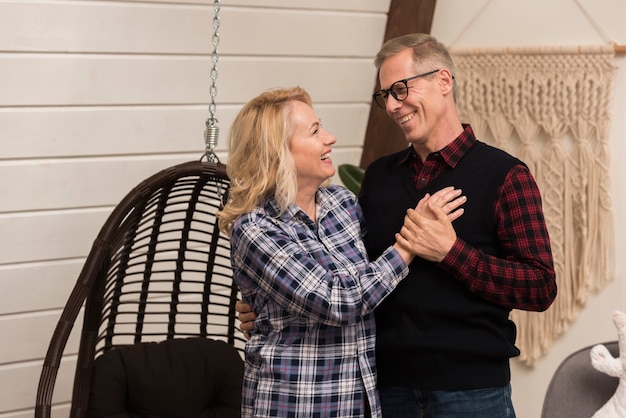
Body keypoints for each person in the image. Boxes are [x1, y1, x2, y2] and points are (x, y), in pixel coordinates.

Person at [238, 34, 557, 417]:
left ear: (443, 81)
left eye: (401, 89)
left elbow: (540, 287)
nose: (391, 105)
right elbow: (341, 275)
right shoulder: (378, 177)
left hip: (471, 393)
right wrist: (270, 309)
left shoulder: (504, 176)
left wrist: (452, 253)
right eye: (385, 94)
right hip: (382, 391)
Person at [217, 86, 466, 418]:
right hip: (294, 405)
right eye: (315, 131)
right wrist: (410, 242)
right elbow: (339, 301)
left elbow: (374, 279)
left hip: (358, 402)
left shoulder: (343, 204)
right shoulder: (256, 229)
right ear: (278, 151)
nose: (330, 138)